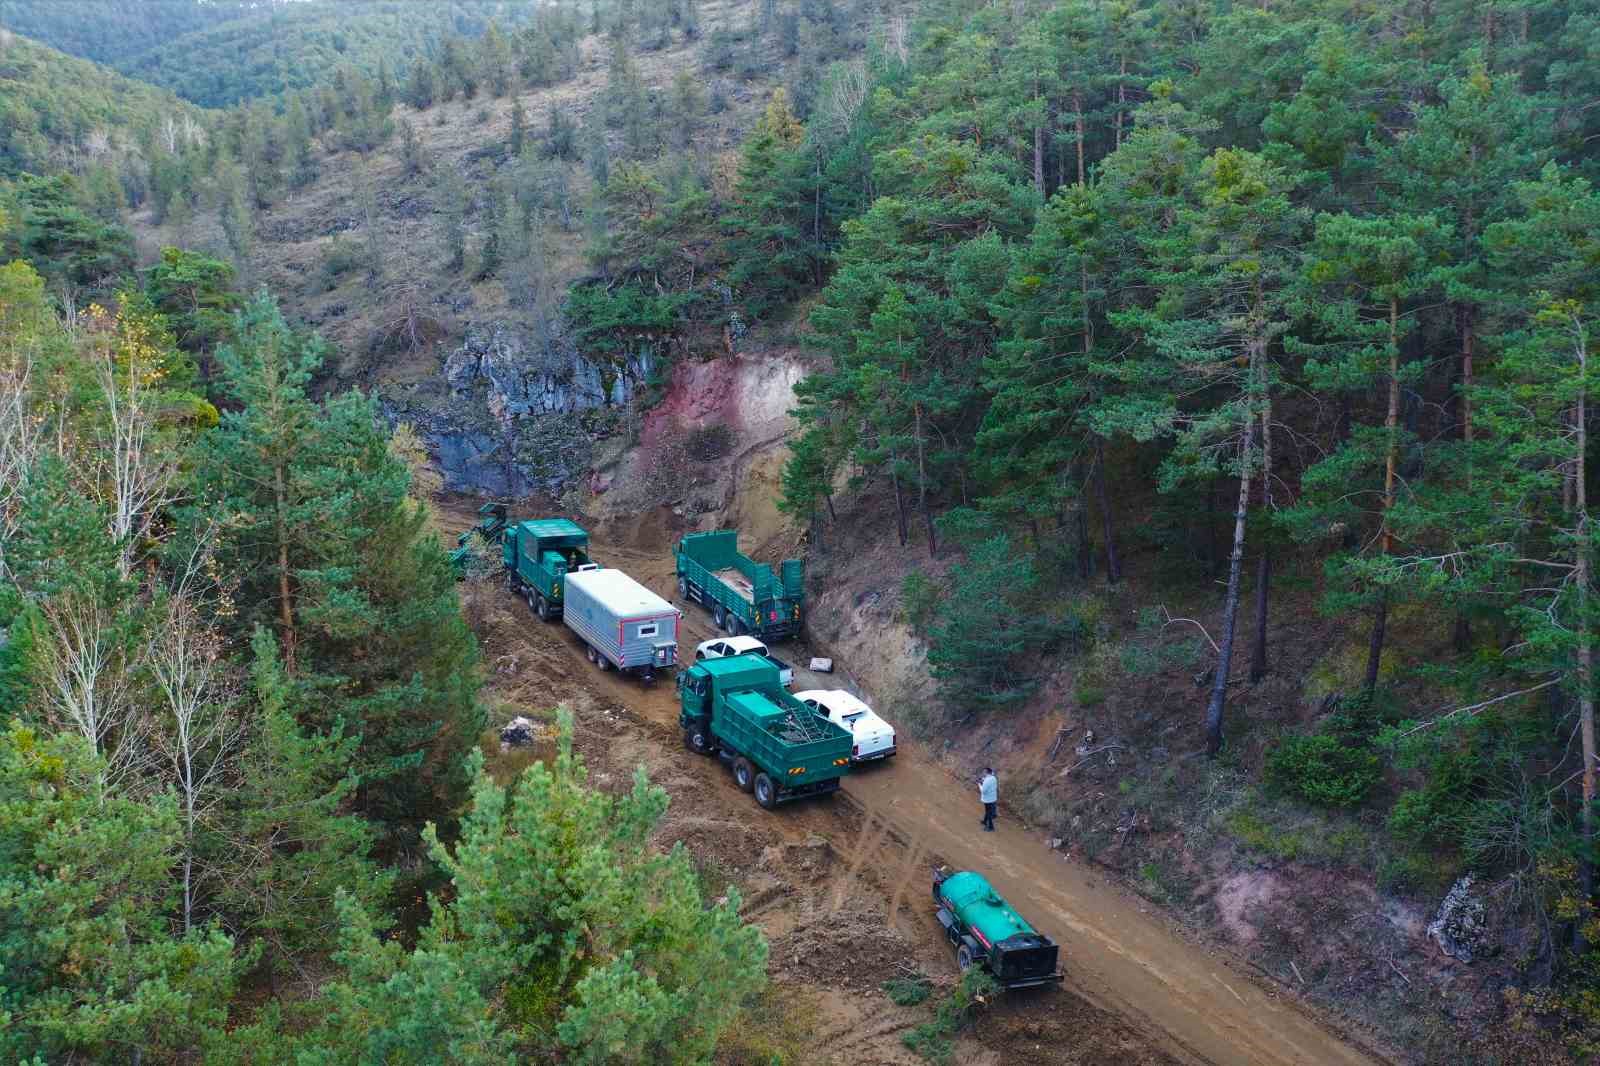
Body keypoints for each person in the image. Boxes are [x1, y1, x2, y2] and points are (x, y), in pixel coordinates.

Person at [979, 767, 998, 832]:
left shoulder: (987, 780)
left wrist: (979, 784)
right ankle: (985, 821)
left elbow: (983, 791)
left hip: (988, 799)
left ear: (987, 773)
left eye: (984, 772)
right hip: (993, 798)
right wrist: (983, 781)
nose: (983, 773)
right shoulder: (993, 778)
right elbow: (988, 781)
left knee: (988, 812)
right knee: (988, 811)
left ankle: (991, 827)